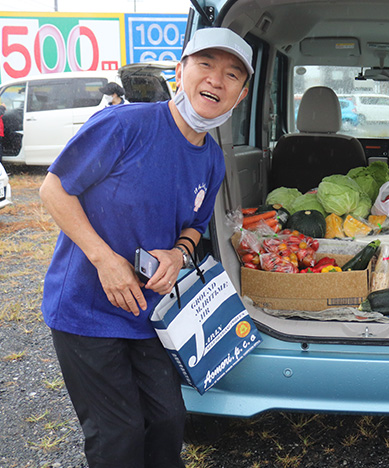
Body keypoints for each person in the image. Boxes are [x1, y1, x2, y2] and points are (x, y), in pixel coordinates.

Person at [39, 27, 254, 468]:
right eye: (205, 65)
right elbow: (53, 191)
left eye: (231, 74)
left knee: (168, 421)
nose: (216, 80)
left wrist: (178, 253)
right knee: (118, 434)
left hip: (151, 315)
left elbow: (195, 227)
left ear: (241, 94)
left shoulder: (211, 158)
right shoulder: (125, 125)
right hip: (88, 311)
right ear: (180, 71)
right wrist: (104, 259)